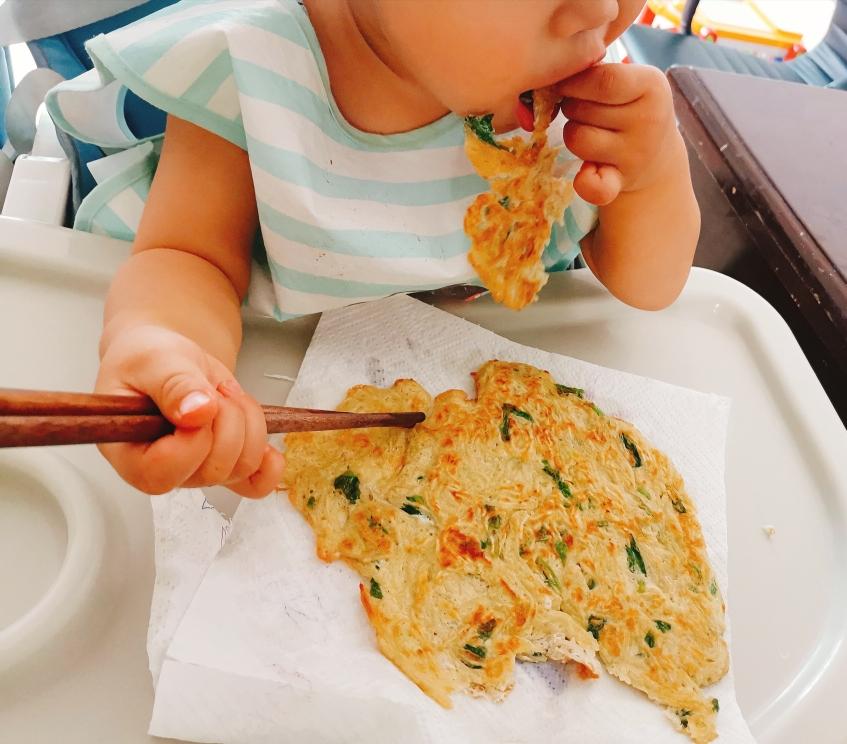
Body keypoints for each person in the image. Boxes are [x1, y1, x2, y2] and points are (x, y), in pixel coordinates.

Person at [46, 0, 699, 498]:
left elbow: (648, 286)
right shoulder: (258, 69)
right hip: (269, 407)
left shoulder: (576, 102)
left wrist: (652, 169)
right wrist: (169, 346)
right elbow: (187, 261)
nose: (601, 13)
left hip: (469, 436)